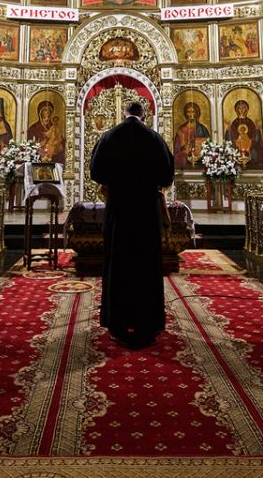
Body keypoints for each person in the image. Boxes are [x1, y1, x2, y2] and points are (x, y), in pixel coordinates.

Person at [90, 101, 175, 348]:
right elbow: (167, 175)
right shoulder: (155, 138)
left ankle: (117, 324)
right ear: (143, 115)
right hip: (146, 211)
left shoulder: (109, 137)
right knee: (146, 263)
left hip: (119, 211)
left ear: (124, 114)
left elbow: (96, 172)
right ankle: (148, 324)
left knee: (119, 262)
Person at [224, 99, 263, 169]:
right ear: (236, 110)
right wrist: (229, 130)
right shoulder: (235, 122)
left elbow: (255, 138)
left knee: (254, 151)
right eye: (239, 108)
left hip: (249, 147)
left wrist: (257, 130)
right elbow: (231, 138)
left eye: (243, 108)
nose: (241, 110)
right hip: (238, 146)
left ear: (246, 109)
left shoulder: (250, 122)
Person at [172, 102, 210, 168]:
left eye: (193, 112)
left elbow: (208, 145)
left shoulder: (202, 129)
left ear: (196, 113)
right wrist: (184, 146)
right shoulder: (181, 129)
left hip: (201, 159)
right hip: (185, 160)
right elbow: (177, 149)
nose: (191, 114)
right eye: (188, 112)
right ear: (185, 113)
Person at [27, 100, 65, 164]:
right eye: (45, 110)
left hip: (55, 159)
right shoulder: (34, 128)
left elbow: (62, 144)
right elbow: (30, 145)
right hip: (39, 160)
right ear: (40, 112)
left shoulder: (54, 127)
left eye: (49, 110)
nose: (47, 112)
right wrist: (44, 142)